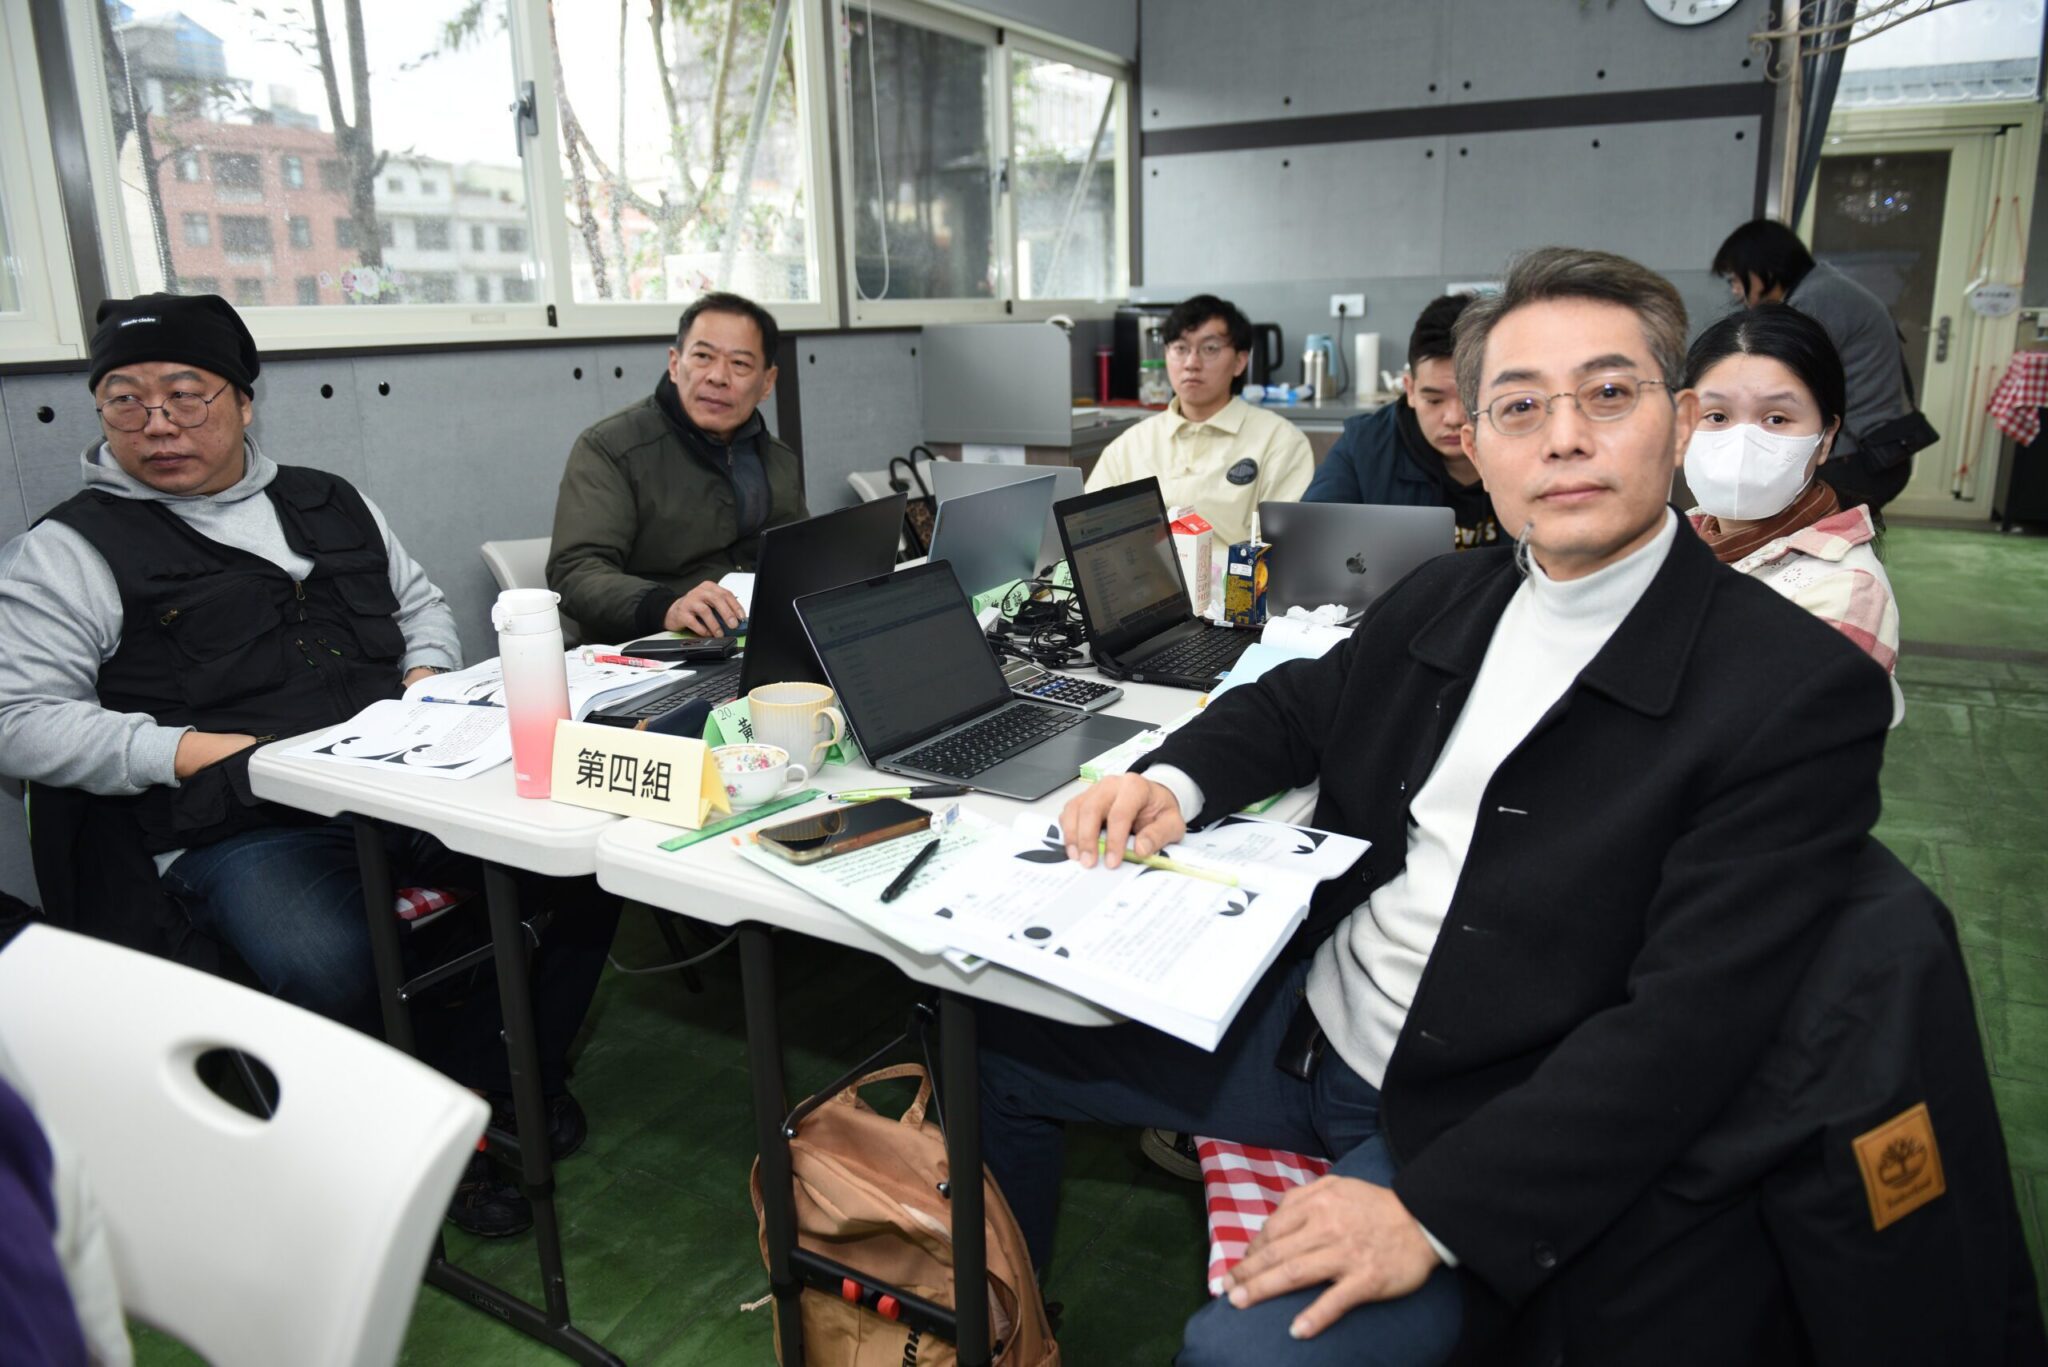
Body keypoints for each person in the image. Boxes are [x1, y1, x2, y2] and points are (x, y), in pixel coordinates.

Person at [977, 247, 1893, 1362]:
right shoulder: (1456, 591)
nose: (1563, 437)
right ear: (1475, 440)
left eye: (1608, 393)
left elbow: (1691, 1027)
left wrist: (1437, 1211)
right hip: (1311, 1028)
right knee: (988, 1050)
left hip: (1482, 1113)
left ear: (1682, 422)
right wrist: (1167, 779)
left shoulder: (1791, 690)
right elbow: (1297, 705)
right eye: (1519, 406)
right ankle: (1009, 1328)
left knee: (1247, 1352)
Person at [0, 293, 619, 1237]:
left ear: (244, 401)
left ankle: (490, 1083)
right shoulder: (70, 550)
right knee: (331, 954)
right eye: (124, 399)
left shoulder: (331, 500)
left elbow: (419, 606)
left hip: (401, 778)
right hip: (235, 821)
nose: (157, 422)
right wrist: (191, 751)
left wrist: (426, 681)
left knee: (581, 866)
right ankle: (421, 1138)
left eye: (185, 393)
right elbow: (18, 719)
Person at [1683, 303, 1904, 724]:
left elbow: (1760, 735)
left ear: (1826, 439)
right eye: (1717, 416)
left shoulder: (1848, 590)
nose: (1742, 443)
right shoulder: (1684, 535)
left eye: (1776, 418)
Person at [549, 291, 807, 644]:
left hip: (755, 638)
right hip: (654, 647)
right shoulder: (612, 447)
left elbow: (799, 556)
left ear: (767, 382)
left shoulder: (778, 458)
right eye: (703, 356)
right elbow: (575, 571)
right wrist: (666, 607)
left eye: (740, 364)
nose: (718, 376)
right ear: (674, 364)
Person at [1712, 219, 1917, 512]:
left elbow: (1772, 378)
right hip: (1873, 450)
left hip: (1855, 457)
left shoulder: (1815, 301)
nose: (1735, 290)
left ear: (1764, 268)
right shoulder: (1824, 286)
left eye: (1734, 278)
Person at [1086, 295, 1313, 545]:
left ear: (1239, 362)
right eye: (1180, 348)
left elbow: (1286, 548)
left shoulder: (1280, 442)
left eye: (1210, 349)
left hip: (1234, 572)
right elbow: (1087, 533)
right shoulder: (1129, 446)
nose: (1191, 363)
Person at [1304, 294, 1500, 549]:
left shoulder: (1523, 444)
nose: (1453, 418)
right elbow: (1310, 539)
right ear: (1410, 389)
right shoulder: (1365, 446)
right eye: (1434, 400)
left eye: (1468, 398)